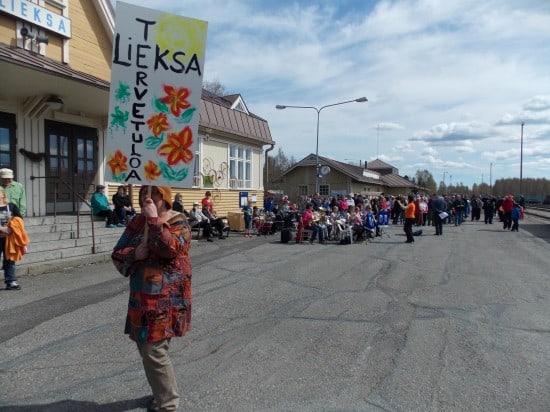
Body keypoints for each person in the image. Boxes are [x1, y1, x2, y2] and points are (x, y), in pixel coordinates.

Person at [112, 185, 192, 412]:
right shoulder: (137, 222)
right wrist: (134, 254)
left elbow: (171, 249)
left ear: (164, 197)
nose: (145, 200)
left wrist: (155, 221)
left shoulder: (178, 221)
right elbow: (118, 254)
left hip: (168, 299)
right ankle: (160, 396)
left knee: (154, 351)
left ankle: (167, 404)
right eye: (142, 195)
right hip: (141, 298)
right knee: (146, 349)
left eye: (152, 195)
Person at [0, 186, 28, 290]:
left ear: (3, 194)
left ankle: (11, 281)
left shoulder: (11, 206)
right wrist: (1, 228)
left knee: (10, 260)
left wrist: (12, 227)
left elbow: (19, 219)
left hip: (9, 239)